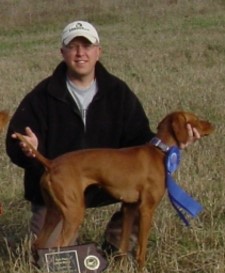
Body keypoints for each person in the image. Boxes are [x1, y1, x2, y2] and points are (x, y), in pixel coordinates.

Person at [6, 20, 200, 251]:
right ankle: (54, 252)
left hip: (109, 185)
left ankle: (117, 246)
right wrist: (27, 148)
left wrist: (173, 145)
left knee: (145, 195)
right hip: (62, 185)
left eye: (87, 46)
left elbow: (141, 142)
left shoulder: (118, 93)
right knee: (52, 253)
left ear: (98, 52)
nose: (80, 53)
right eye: (73, 46)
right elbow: (15, 141)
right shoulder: (41, 96)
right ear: (62, 52)